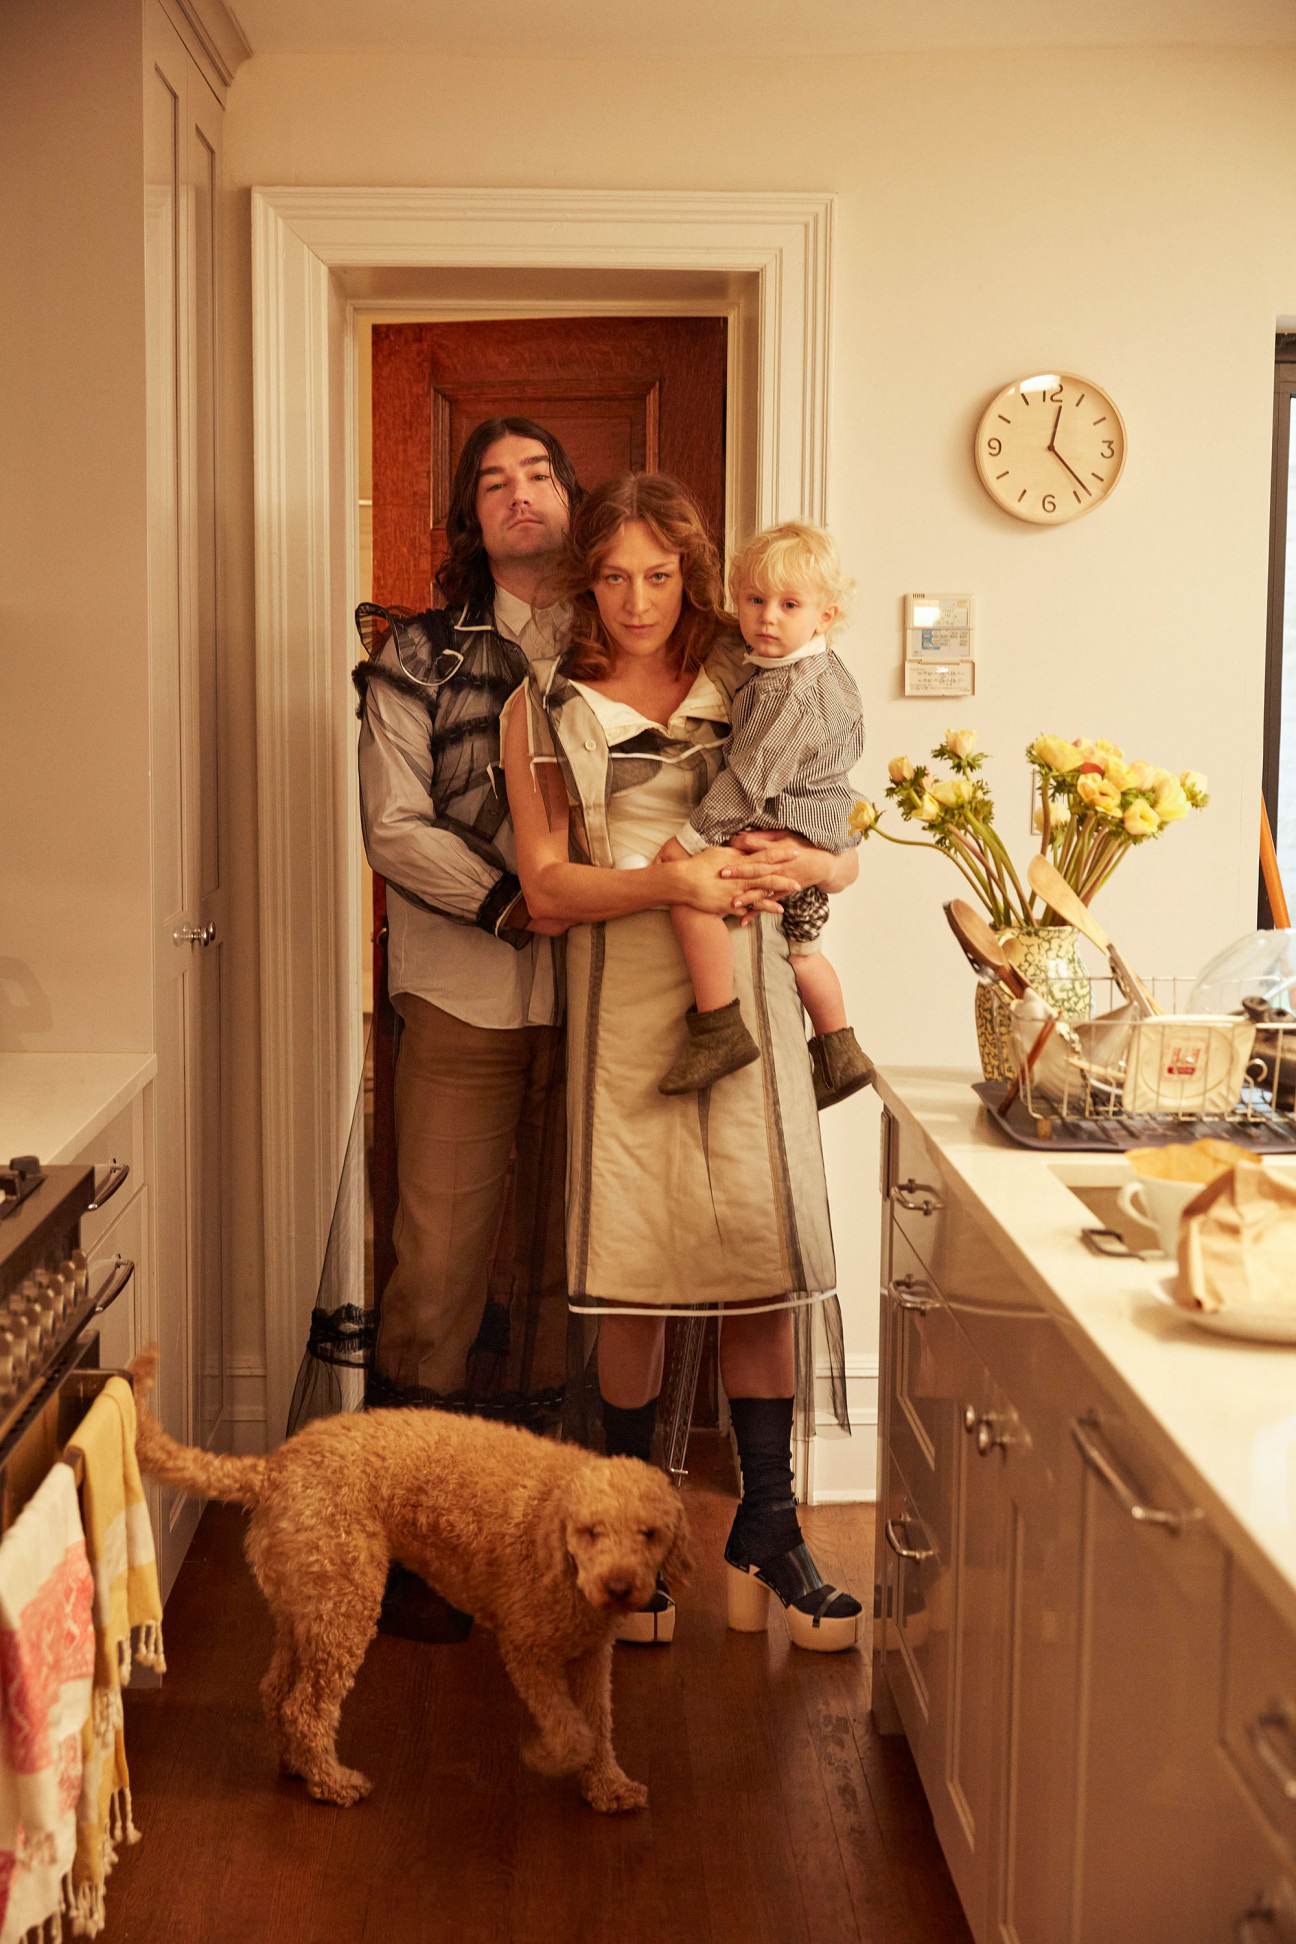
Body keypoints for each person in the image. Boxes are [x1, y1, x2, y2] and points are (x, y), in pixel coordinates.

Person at [503, 473, 861, 1652]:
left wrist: (803, 871)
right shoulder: (543, 704)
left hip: (746, 1002)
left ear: (691, 573)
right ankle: (628, 1545)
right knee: (636, 1273)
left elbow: (839, 854)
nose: (639, 598)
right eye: (613, 576)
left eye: (660, 574)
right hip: (625, 1008)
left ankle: (772, 1521)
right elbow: (549, 892)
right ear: (584, 581)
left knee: (758, 1261)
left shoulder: (757, 672)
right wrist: (674, 880)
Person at [353, 418, 579, 1416]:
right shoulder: (419, 655)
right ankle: (407, 1502)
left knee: (567, 1247)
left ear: (572, 500)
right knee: (437, 1255)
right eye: (494, 482)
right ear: (471, 521)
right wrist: (512, 902)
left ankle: (543, 1496)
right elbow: (393, 828)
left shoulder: (634, 646)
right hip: (457, 996)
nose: (519, 492)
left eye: (537, 474)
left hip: (603, 999)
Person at [655, 520, 874, 1108]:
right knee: (805, 951)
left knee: (690, 895)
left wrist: (688, 839)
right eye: (754, 600)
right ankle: (840, 1052)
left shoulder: (795, 691)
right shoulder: (803, 671)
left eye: (788, 604)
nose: (767, 617)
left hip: (786, 828)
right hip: (813, 830)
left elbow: (749, 779)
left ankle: (719, 1027)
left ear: (824, 616)